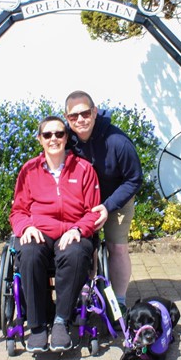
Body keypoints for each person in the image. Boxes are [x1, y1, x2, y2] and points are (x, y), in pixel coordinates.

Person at [9, 115, 100, 353]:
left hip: (72, 230)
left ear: (66, 138)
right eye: (47, 134)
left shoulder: (84, 169)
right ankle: (38, 327)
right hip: (39, 230)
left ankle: (61, 321)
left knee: (77, 253)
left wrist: (79, 228)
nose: (53, 139)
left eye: (59, 134)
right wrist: (26, 227)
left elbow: (93, 211)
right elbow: (18, 210)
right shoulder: (29, 170)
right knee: (28, 253)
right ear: (40, 139)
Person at [64, 90, 143, 318]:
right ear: (67, 118)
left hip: (116, 199)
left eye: (85, 113)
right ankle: (83, 289)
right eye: (73, 116)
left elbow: (134, 179)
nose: (80, 119)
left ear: (95, 112)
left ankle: (118, 302)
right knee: (78, 246)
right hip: (81, 202)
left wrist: (107, 206)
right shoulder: (65, 139)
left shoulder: (118, 142)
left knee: (116, 247)